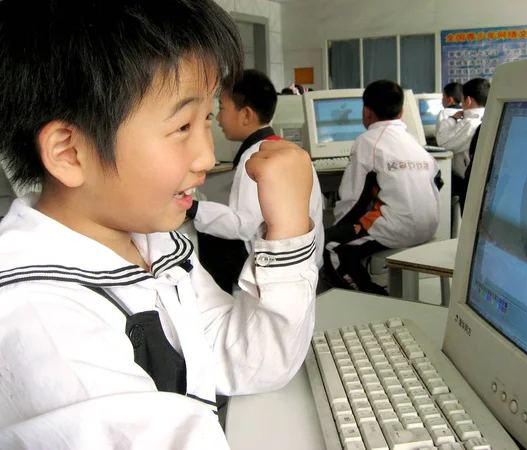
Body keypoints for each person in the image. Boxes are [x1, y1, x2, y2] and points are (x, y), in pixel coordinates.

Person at [0, 1, 318, 448]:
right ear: (70, 153)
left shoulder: (154, 244)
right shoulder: (40, 318)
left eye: (207, 119)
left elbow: (250, 361)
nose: (207, 157)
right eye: (183, 126)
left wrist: (288, 229)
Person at [188, 69, 324, 293]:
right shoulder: (288, 149)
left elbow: (241, 226)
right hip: (308, 262)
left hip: (274, 275)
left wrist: (193, 208)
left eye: (221, 109)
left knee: (202, 245)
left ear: (246, 115)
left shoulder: (255, 157)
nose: (218, 119)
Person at [322, 80, 441, 295]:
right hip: (431, 225)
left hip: (398, 227)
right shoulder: (414, 142)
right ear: (402, 111)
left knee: (329, 246)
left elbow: (352, 199)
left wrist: (340, 228)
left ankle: (374, 298)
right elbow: (436, 182)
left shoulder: (367, 141)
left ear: (366, 112)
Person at [436, 77, 490, 200]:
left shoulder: (469, 123)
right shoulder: (488, 117)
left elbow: (443, 142)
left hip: (466, 182)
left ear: (468, 100)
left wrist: (452, 119)